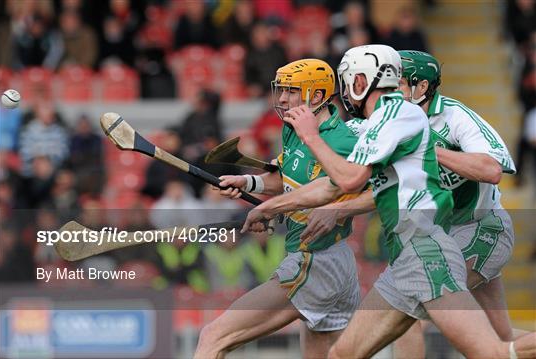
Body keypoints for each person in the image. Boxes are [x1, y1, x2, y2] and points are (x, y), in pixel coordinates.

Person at [241, 44, 536, 358]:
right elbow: (329, 186)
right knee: (343, 354)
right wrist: (262, 197)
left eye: (348, 81)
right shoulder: (377, 122)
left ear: (361, 81)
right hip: (409, 254)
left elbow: (350, 180)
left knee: (488, 351)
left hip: (434, 246)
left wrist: (312, 137)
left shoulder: (401, 115)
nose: (343, 92)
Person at [193, 59, 360, 358]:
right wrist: (247, 182)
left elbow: (325, 190)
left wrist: (269, 209)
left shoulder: (343, 141)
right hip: (325, 260)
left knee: (213, 336)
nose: (282, 98)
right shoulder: (294, 129)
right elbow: (284, 177)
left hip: (316, 261)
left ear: (318, 96)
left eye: (291, 91)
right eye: (281, 89)